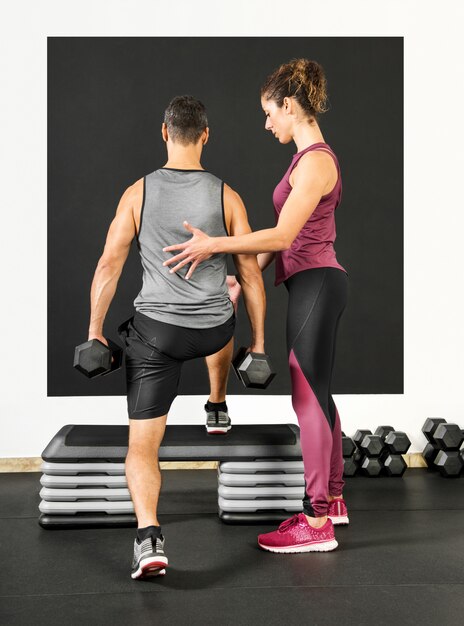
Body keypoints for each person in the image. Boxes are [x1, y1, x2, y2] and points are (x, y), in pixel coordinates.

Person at [163, 59, 349, 553]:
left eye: (270, 113)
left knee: (306, 387)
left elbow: (285, 235)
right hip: (313, 280)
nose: (267, 124)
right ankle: (334, 498)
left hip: (318, 283)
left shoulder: (315, 161)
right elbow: (284, 242)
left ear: (289, 106)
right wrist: (242, 278)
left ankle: (316, 522)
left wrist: (213, 246)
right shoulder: (305, 159)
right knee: (319, 389)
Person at [87, 95, 266, 579]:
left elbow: (109, 265)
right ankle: (216, 403)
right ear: (205, 136)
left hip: (157, 337)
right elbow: (250, 275)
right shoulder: (227, 195)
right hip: (213, 330)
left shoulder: (136, 193)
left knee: (142, 446)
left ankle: (149, 539)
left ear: (164, 133)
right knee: (226, 295)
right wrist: (262, 346)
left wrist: (95, 334)